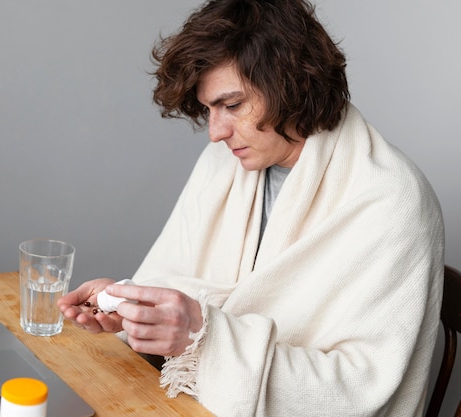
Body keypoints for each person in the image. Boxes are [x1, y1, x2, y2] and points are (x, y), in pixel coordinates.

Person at [58, 0, 445, 416]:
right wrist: (132, 309)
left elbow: (357, 388)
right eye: (209, 109)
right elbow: (185, 290)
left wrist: (200, 337)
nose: (216, 132)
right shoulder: (225, 164)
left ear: (293, 85)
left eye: (233, 105)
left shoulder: (390, 201)